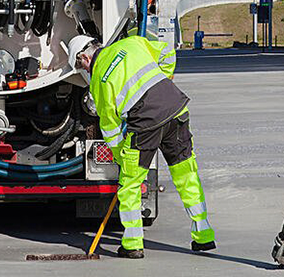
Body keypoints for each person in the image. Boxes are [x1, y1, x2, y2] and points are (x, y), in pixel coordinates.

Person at [67, 35, 216, 259]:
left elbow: (110, 129)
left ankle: (133, 244)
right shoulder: (132, 43)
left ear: (84, 57)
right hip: (176, 107)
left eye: (80, 66)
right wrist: (164, 81)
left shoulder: (99, 81)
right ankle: (203, 235)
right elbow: (167, 52)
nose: (84, 71)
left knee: (130, 185)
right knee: (186, 173)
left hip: (146, 123)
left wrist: (121, 158)